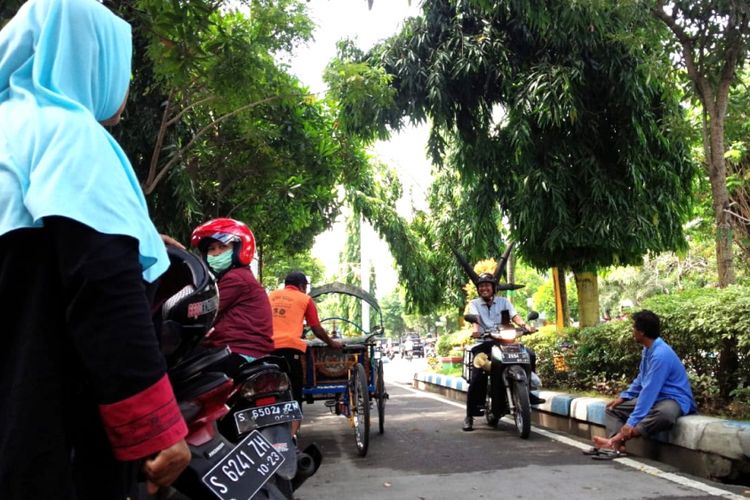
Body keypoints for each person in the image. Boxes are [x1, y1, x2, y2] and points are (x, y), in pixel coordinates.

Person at [0, 1, 190, 498]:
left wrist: (145, 235)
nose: (125, 88)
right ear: (91, 59)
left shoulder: (12, 132)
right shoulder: (70, 136)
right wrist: (158, 429)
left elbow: (39, 251)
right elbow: (102, 289)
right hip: (46, 443)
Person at [589, 310, 697, 458]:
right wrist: (624, 397)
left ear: (642, 332)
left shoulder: (660, 355)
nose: (632, 332)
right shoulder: (648, 350)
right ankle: (616, 446)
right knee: (613, 408)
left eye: (634, 328)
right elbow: (642, 379)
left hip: (673, 399)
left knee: (665, 415)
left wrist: (631, 423)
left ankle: (615, 440)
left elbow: (649, 391)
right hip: (656, 398)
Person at [463, 273, 545, 431]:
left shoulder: (504, 302)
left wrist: (526, 326)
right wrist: (477, 331)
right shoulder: (474, 303)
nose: (484, 288)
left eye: (487, 285)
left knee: (529, 354)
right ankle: (469, 415)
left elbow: (515, 317)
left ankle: (528, 391)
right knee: (477, 375)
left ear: (493, 288)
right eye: (481, 286)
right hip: (485, 343)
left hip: (506, 340)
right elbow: (476, 319)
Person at [269, 271, 343, 434]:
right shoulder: (305, 299)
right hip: (290, 350)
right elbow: (316, 329)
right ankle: (292, 436)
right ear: (302, 286)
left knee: (268, 392)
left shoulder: (270, 296)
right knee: (295, 393)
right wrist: (331, 343)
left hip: (267, 350)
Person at [191, 218, 273, 361]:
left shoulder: (236, 278)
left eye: (222, 247)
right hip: (237, 349)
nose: (216, 253)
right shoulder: (235, 277)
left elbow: (205, 310)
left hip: (240, 351)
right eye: (211, 249)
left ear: (238, 250)